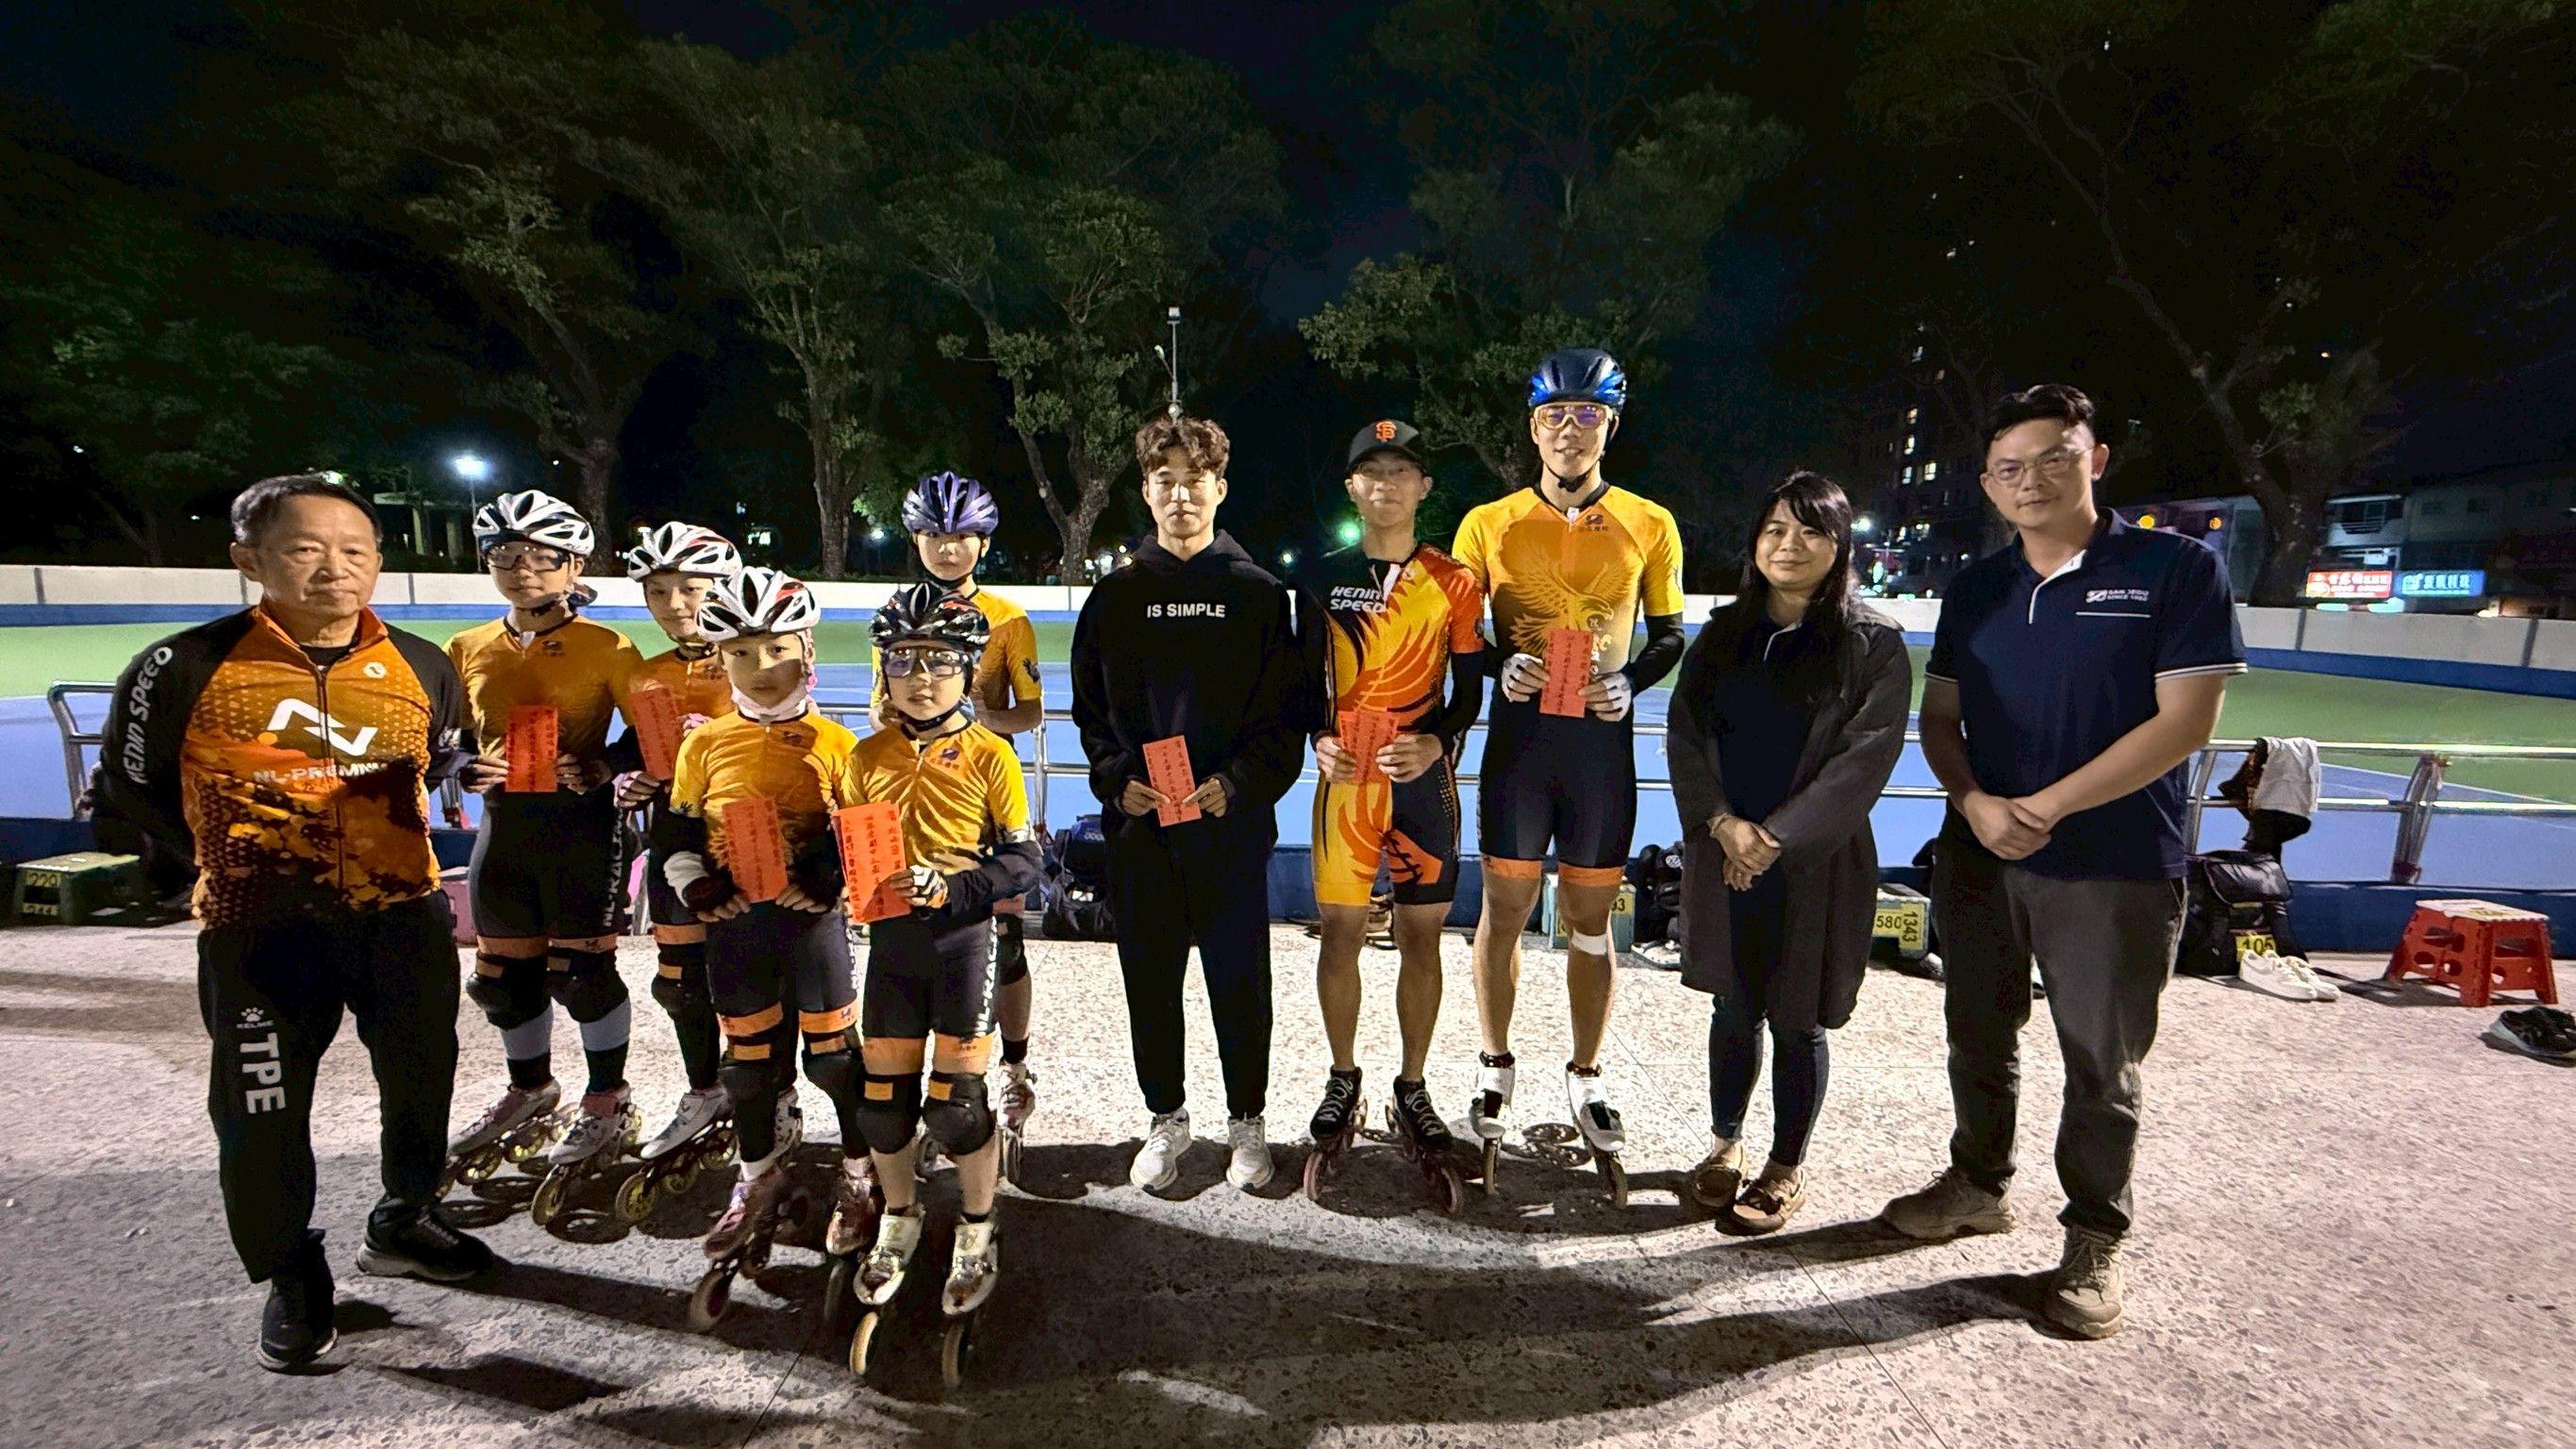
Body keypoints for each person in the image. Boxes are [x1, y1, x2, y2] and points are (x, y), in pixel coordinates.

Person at [91, 472, 494, 1373]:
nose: (333, 569)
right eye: (304, 550)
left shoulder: (422, 662)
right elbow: (130, 790)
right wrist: (228, 859)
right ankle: (289, 1269)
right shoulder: (181, 665)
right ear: (249, 559)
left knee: (421, 1085)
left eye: (354, 551)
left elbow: (437, 759)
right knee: (261, 1112)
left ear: (378, 560)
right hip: (260, 932)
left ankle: (405, 1218)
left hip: (402, 919)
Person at [1881, 384, 2244, 1340]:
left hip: (2114, 863)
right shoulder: (1977, 589)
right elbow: (1941, 717)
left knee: (2100, 1063)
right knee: (1977, 1034)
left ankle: (2092, 1237)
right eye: (2009, 467)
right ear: (1987, 484)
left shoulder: (2175, 569)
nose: (2030, 480)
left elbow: (2186, 722)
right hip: (1978, 855)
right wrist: (1973, 803)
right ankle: (1976, 1184)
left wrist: (2044, 807)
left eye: (2053, 457)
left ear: (2095, 458)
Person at [1070, 411, 1321, 1193]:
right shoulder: (1113, 598)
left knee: (1239, 980)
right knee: (1149, 981)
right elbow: (1089, 715)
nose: (1180, 495)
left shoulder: (1259, 595)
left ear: (1220, 488)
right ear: (1146, 492)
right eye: (1165, 481)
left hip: (1229, 828)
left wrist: (1236, 783)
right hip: (1141, 829)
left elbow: (1286, 717)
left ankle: (1247, 1121)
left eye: (1195, 480)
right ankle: (1166, 1117)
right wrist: (1117, 779)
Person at [1450, 347, 1686, 1173]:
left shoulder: (1650, 522)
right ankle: (1494, 1065)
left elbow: (1668, 636)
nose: (1569, 430)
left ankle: (1585, 1074)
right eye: (1554, 415)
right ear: (1532, 428)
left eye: (1588, 414)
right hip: (1520, 745)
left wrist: (1629, 681)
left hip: (1598, 749)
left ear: (1610, 426)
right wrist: (1496, 665)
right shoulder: (1486, 522)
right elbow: (1459, 633)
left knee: (1589, 924)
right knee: (1504, 911)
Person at [1666, 473, 1910, 1234]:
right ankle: (1724, 1145)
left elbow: (1863, 758)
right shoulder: (1722, 636)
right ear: (1755, 543)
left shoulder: (1871, 644)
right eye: (1775, 529)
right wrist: (1720, 824)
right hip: (1725, 852)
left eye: (1809, 531)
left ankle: (1784, 1168)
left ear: (1838, 547)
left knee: (1798, 1019)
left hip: (1813, 862)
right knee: (1732, 1004)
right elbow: (1685, 735)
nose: (1789, 545)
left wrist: (1771, 839)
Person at [654, 568, 875, 1277]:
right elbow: (676, 831)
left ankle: (860, 1173)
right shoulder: (702, 744)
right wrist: (693, 883)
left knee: (835, 1061)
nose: (761, 666)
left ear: (807, 650)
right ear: (720, 657)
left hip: (809, 928)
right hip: (737, 927)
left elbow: (866, 834)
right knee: (746, 1070)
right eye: (742, 651)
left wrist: (832, 874)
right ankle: (757, 1175)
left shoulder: (839, 743)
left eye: (777, 648)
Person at [846, 585, 1044, 1326]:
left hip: (963, 942)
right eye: (903, 660)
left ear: (966, 669)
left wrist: (955, 887)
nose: (920, 677)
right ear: (884, 670)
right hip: (892, 945)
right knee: (881, 1109)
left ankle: (977, 1224)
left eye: (938, 660)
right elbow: (845, 851)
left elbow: (1023, 862)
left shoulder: (991, 755)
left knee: (957, 1109)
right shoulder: (865, 756)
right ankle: (899, 1216)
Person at [443, 491, 646, 1191]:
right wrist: (463, 767)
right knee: (502, 981)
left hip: (579, 826)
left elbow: (650, 734)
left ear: (574, 565)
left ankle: (608, 1099)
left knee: (582, 976)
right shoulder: (466, 647)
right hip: (504, 826)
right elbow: (447, 739)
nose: (523, 569)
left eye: (541, 556)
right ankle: (530, 1090)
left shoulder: (609, 647)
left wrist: (604, 766)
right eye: (506, 555)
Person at [1306, 420, 1487, 1165]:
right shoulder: (1319, 577)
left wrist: (1437, 740)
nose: (1385, 484)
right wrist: (1317, 737)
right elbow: (1299, 681)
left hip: (1421, 784)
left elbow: (1470, 690)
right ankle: (1342, 1076)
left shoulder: (1455, 581)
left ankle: (1412, 1083)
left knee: (1420, 937)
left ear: (1423, 487)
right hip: (1346, 783)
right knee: (1339, 934)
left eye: (1400, 471)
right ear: (1352, 487)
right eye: (1371, 472)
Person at [878, 473, 1048, 1149]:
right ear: (916, 539)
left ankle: (1013, 1066)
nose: (948, 549)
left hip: (986, 791)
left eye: (961, 537)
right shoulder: (895, 612)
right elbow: (879, 706)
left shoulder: (1009, 619)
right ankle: (928, 1083)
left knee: (1004, 946)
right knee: (914, 941)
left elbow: (1030, 713)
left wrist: (974, 721)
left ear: (983, 543)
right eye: (934, 535)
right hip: (920, 796)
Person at [612, 523, 745, 1170]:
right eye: (658, 591)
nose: (674, 604)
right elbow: (633, 748)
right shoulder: (645, 675)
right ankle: (705, 1092)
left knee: (751, 980)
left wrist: (719, 733)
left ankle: (763, 1095)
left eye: (691, 588)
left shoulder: (758, 656)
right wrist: (624, 777)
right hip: (675, 839)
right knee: (681, 983)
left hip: (746, 838)